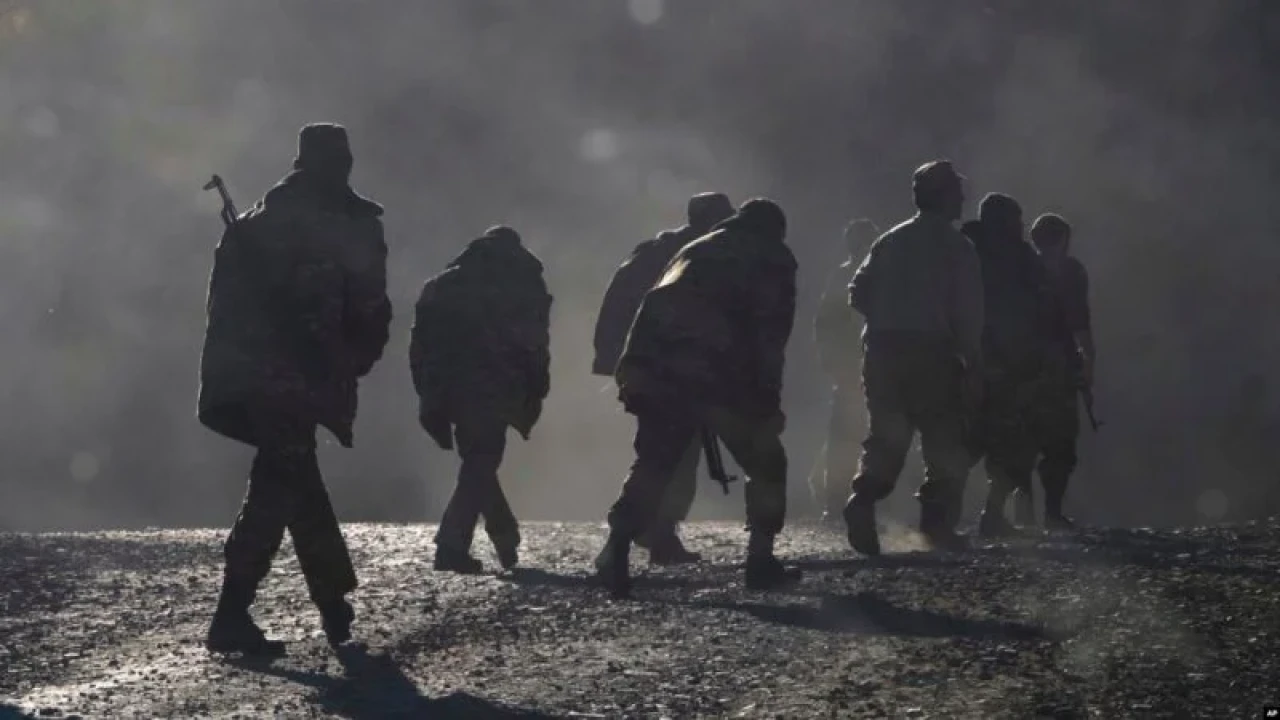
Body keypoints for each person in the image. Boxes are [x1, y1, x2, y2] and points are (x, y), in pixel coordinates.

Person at [198, 123, 391, 654]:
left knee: (296, 477)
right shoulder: (347, 226)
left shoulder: (257, 224)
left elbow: (223, 311)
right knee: (277, 485)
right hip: (294, 378)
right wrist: (350, 359)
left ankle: (330, 602)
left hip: (261, 379)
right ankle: (232, 613)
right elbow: (371, 308)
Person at [594, 198, 799, 596]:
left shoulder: (695, 249)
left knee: (654, 464)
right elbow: (770, 335)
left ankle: (615, 549)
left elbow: (649, 307)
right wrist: (768, 400)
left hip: (660, 371)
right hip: (724, 376)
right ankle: (760, 560)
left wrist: (632, 371)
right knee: (767, 464)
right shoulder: (771, 258)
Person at [844, 160, 983, 555]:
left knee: (887, 435)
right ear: (944, 197)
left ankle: (862, 500)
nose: (962, 199)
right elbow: (968, 312)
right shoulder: (957, 248)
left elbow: (858, 292)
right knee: (944, 441)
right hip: (932, 353)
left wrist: (888, 318)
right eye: (956, 192)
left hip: (883, 351)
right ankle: (936, 527)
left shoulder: (890, 240)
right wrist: (973, 363)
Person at [591, 192, 735, 565]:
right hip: (675, 370)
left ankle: (655, 533)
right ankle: (647, 533)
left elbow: (615, 305)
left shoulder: (653, 253)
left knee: (663, 450)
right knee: (671, 453)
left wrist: (612, 360)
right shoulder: (702, 256)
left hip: (647, 367)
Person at [410, 226, 552, 573]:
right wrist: (536, 388)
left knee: (478, 461)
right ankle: (452, 544)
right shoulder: (520, 286)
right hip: (496, 388)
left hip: (449, 387)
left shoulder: (441, 285)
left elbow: (420, 347)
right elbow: (534, 344)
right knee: (482, 461)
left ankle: (504, 535)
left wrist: (427, 393)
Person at [962, 194, 1063, 537]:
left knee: (965, 443)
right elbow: (1042, 306)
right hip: (1007, 365)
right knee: (1012, 443)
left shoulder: (965, 250)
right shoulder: (1019, 257)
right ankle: (990, 514)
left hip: (969, 361)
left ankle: (942, 517)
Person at [1022, 213, 1094, 529]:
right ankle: (1052, 513)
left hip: (1021, 364)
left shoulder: (1022, 267)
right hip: (1058, 366)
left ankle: (1020, 513)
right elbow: (1080, 321)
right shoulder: (1071, 271)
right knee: (1060, 442)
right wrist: (1089, 362)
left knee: (1023, 440)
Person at [813, 218, 879, 522]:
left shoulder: (849, 275)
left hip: (868, 362)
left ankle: (845, 501)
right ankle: (838, 500)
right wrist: (832, 359)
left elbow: (824, 323)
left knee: (857, 433)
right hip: (856, 364)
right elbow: (826, 323)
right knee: (847, 434)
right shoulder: (845, 276)